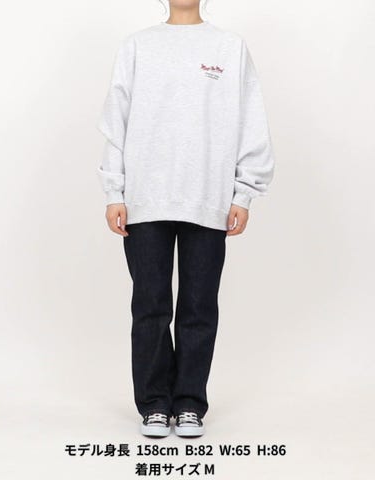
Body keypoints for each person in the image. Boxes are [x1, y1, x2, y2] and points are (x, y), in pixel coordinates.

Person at [97, 0, 275, 437]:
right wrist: (115, 191)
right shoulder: (137, 45)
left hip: (208, 196)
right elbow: (116, 120)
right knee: (151, 306)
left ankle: (190, 403)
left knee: (199, 306)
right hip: (145, 198)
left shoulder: (229, 47)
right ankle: (155, 404)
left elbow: (251, 121)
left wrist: (244, 193)